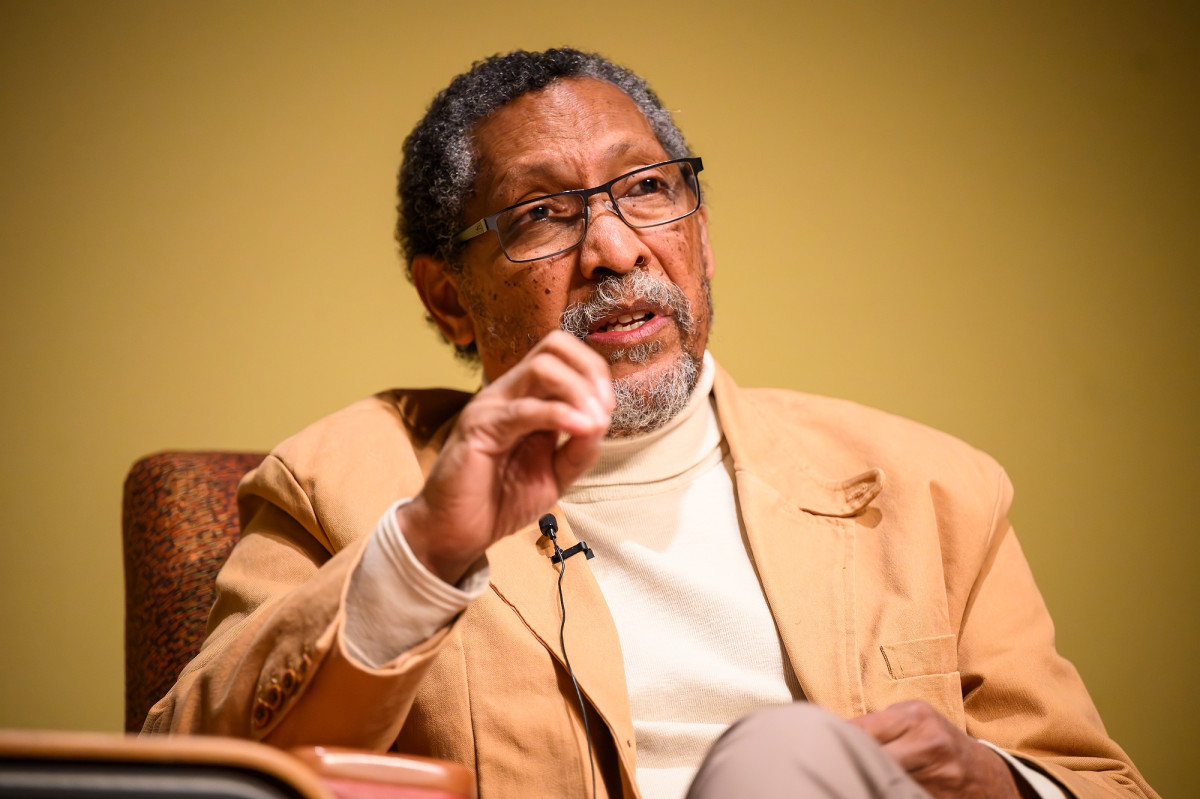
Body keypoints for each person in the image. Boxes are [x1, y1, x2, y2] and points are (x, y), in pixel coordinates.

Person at [143, 48, 1157, 799]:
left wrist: (993, 780)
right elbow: (195, 777)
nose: (617, 249)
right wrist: (426, 549)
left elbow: (1099, 781)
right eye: (542, 215)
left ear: (701, 240)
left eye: (647, 191)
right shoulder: (342, 484)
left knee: (782, 759)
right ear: (448, 297)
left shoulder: (926, 487)